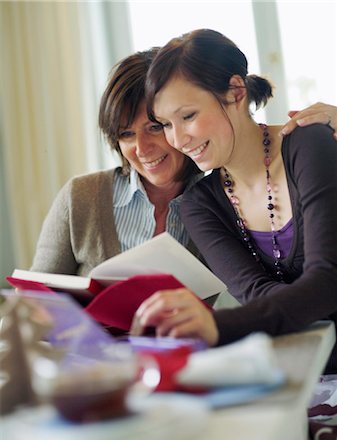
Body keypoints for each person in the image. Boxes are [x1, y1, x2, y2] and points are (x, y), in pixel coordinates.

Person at [131, 29, 337, 375]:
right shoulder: (199, 204)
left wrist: (216, 326)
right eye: (166, 124)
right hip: (305, 370)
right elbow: (258, 297)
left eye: (189, 116)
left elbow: (327, 280)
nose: (178, 139)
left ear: (236, 92)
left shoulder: (308, 142)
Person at [31, 46, 336, 278]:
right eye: (126, 134)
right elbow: (35, 302)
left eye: (155, 127)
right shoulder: (81, 197)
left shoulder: (218, 199)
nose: (142, 148)